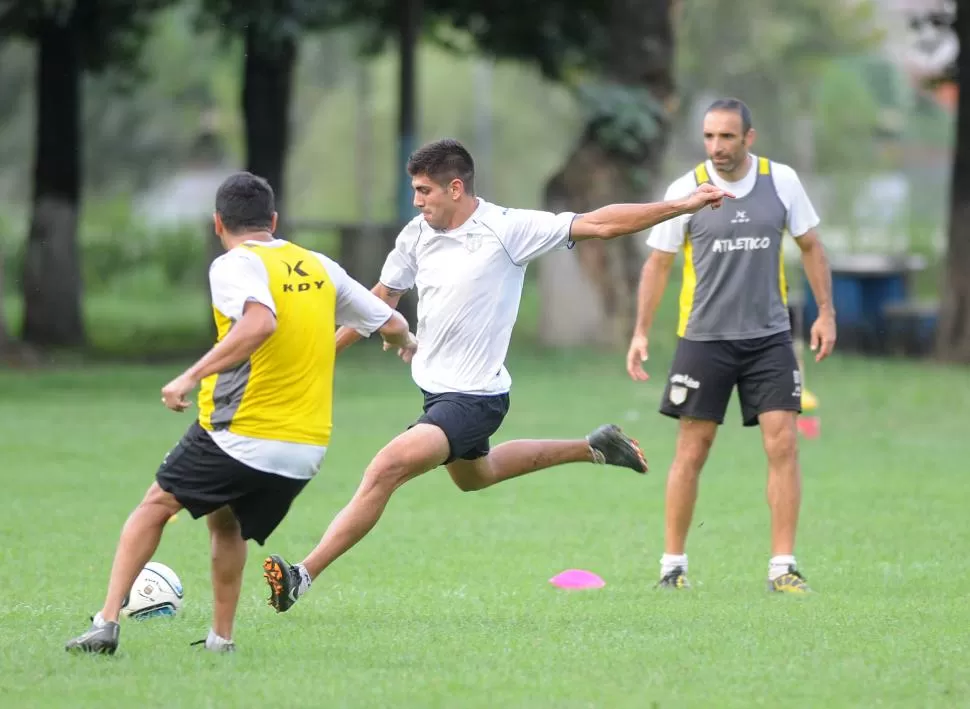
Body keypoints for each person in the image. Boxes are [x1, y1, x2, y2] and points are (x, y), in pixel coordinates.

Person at [262, 138, 731, 612]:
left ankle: (302, 575)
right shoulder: (415, 235)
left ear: (456, 188)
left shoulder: (509, 229)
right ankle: (593, 447)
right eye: (415, 191)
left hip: (474, 399)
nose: (417, 200)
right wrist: (321, 353)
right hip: (436, 392)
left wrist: (682, 205)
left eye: (425, 190)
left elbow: (601, 223)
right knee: (476, 476)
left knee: (385, 469)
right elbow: (379, 299)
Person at [65, 172, 414, 654]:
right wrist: (407, 343)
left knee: (153, 507)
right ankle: (220, 640)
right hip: (305, 450)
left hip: (242, 432)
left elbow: (259, 322)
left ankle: (105, 623)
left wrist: (190, 375)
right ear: (273, 220)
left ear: (217, 224)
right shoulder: (318, 265)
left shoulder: (234, 265)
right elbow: (391, 321)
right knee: (224, 520)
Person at [625, 98, 836, 593]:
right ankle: (672, 567)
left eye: (726, 136)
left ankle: (782, 567)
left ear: (749, 138)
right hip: (704, 340)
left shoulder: (780, 182)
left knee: (782, 442)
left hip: (769, 338)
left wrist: (826, 313)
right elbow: (658, 263)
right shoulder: (686, 190)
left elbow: (811, 246)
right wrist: (639, 331)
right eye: (709, 137)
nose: (717, 147)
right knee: (692, 451)